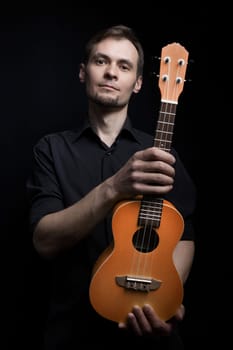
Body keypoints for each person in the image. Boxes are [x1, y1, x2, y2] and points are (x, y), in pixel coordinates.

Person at [26, 24, 196, 349]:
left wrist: (162, 298)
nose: (111, 73)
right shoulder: (51, 150)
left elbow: (184, 237)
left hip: (150, 335)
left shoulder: (163, 156)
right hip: (71, 336)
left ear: (139, 83)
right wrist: (115, 187)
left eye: (124, 66)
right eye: (100, 62)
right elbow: (44, 242)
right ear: (82, 72)